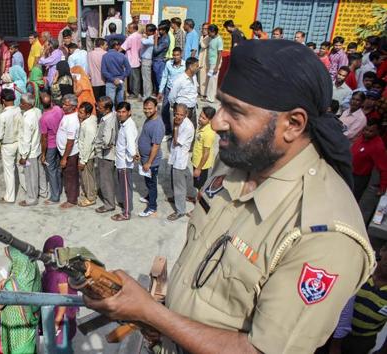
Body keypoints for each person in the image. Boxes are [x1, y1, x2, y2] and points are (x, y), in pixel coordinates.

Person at [84, 39, 375, 354]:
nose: (218, 121)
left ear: (293, 124)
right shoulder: (238, 158)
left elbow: (259, 350)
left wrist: (149, 312)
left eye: (235, 111)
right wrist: (162, 313)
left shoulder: (324, 236)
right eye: (222, 104)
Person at [0, 246, 41, 354]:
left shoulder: (12, 285)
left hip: (16, 334)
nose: (12, 263)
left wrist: (2, 283)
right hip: (28, 331)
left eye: (14, 260)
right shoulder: (32, 274)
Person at [41, 236, 79, 352]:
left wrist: (57, 321)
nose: (49, 256)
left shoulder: (61, 275)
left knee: (61, 345)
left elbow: (64, 299)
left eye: (52, 253)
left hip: (62, 317)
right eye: (47, 252)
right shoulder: (48, 271)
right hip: (53, 313)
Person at [166, 103, 195, 221]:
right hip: (175, 156)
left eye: (181, 114)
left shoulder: (187, 126)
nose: (178, 116)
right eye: (176, 113)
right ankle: (176, 198)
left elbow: (177, 141)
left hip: (180, 160)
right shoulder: (180, 122)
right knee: (175, 181)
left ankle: (180, 210)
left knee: (179, 186)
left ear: (186, 114)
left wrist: (176, 127)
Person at [111, 102, 138, 222]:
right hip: (121, 161)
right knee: (124, 187)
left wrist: (132, 156)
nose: (121, 114)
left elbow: (131, 146)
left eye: (123, 112)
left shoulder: (128, 126)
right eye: (119, 112)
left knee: (126, 188)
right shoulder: (124, 124)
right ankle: (127, 207)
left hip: (125, 163)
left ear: (129, 112)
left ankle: (126, 213)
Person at [137, 98, 164, 218]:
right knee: (148, 181)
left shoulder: (158, 125)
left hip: (151, 161)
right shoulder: (149, 119)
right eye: (145, 108)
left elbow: (156, 146)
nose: (147, 111)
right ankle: (149, 197)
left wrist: (149, 162)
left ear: (156, 108)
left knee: (152, 184)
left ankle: (152, 207)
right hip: (145, 158)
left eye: (150, 108)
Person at [0, 89, 23, 203]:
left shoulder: (2, 116)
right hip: (19, 142)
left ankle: (10, 197)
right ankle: (27, 190)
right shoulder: (19, 110)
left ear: (3, 100)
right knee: (22, 168)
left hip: (7, 145)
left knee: (9, 172)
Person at [18, 93, 44, 207]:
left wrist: (24, 157)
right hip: (37, 147)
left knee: (31, 176)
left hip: (30, 153)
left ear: (28, 104)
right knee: (40, 173)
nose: (20, 105)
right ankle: (43, 192)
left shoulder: (27, 119)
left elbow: (26, 140)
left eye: (22, 103)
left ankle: (32, 199)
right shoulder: (37, 111)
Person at [351, 120, 387, 200]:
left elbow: (383, 168)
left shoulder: (378, 147)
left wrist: (383, 187)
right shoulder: (362, 137)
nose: (366, 132)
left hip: (359, 178)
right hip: (349, 170)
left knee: (352, 198)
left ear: (378, 131)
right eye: (365, 130)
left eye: (370, 131)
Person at [39, 92, 64, 205]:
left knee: (52, 170)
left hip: (51, 146)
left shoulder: (43, 118)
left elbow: (44, 138)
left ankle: (54, 197)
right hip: (60, 143)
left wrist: (43, 154)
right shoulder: (59, 109)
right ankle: (58, 191)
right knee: (58, 169)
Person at [94, 96, 118, 214]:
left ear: (107, 109)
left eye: (100, 107)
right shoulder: (112, 116)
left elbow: (107, 141)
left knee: (106, 180)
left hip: (106, 155)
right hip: (110, 154)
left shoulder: (108, 121)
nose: (98, 109)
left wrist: (98, 146)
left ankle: (109, 204)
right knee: (110, 179)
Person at [57, 94, 81, 209]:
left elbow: (70, 142)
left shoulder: (72, 120)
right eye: (63, 104)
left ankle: (72, 200)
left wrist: (64, 158)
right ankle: (73, 195)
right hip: (65, 152)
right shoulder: (68, 115)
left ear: (73, 106)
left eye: (66, 105)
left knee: (70, 176)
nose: (63, 106)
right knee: (69, 175)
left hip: (70, 154)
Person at [158, 47, 186, 137]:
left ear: (181, 55)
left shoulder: (185, 65)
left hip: (179, 92)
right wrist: (160, 91)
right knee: (164, 111)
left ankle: (178, 133)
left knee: (177, 113)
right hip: (168, 90)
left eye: (177, 55)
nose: (175, 57)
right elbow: (164, 77)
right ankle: (168, 131)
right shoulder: (168, 64)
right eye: (174, 55)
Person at [168, 57, 200, 129]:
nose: (198, 68)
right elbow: (171, 96)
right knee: (180, 131)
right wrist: (177, 108)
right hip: (182, 111)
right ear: (191, 67)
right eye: (196, 66)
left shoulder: (194, 77)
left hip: (193, 109)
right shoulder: (180, 80)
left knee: (192, 129)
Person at [77, 102, 98, 208]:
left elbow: (87, 145)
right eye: (79, 111)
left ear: (88, 114)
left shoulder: (88, 127)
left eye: (81, 113)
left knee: (87, 177)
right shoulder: (91, 119)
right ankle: (91, 192)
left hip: (86, 156)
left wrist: (82, 160)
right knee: (89, 176)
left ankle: (90, 198)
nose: (78, 114)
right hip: (87, 155)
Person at [191, 106, 216, 190]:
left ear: (210, 120)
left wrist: (198, 169)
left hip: (201, 166)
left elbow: (206, 153)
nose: (200, 119)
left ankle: (198, 201)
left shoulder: (209, 133)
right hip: (196, 161)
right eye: (200, 116)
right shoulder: (202, 126)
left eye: (203, 118)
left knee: (200, 186)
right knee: (196, 184)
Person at [101, 40, 131, 105]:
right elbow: (128, 69)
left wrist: (113, 79)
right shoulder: (122, 56)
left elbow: (104, 71)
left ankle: (112, 115)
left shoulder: (105, 56)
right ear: (116, 46)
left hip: (110, 81)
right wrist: (121, 77)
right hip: (120, 81)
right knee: (120, 102)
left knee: (110, 103)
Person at [122, 23, 143, 100]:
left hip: (132, 60)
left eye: (129, 28)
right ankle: (136, 92)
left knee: (133, 78)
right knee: (137, 77)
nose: (128, 29)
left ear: (133, 28)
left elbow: (123, 47)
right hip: (138, 58)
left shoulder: (131, 37)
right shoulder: (140, 36)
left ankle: (134, 93)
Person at [204, 24, 223, 103]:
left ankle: (211, 98)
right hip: (211, 62)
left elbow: (220, 54)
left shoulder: (219, 40)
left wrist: (216, 67)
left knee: (213, 81)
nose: (208, 34)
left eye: (210, 32)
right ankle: (208, 96)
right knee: (210, 80)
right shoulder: (211, 38)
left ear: (214, 32)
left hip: (215, 63)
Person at [152, 22, 170, 92]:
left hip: (159, 61)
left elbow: (156, 51)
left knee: (159, 79)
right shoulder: (163, 37)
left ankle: (161, 94)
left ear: (165, 30)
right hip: (157, 60)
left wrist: (156, 40)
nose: (158, 31)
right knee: (157, 78)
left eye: (160, 30)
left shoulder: (165, 40)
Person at [141, 24, 156, 99]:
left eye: (147, 30)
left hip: (147, 60)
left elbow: (143, 42)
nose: (145, 31)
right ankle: (148, 94)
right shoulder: (151, 38)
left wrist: (143, 36)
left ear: (150, 31)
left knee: (146, 79)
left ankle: (147, 95)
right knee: (147, 78)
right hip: (147, 60)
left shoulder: (151, 39)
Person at [198, 23, 210, 99]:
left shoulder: (208, 37)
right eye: (203, 29)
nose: (203, 30)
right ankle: (200, 92)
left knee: (204, 77)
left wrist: (201, 38)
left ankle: (204, 94)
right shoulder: (203, 37)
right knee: (200, 77)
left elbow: (203, 45)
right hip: (201, 58)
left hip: (206, 60)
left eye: (205, 29)